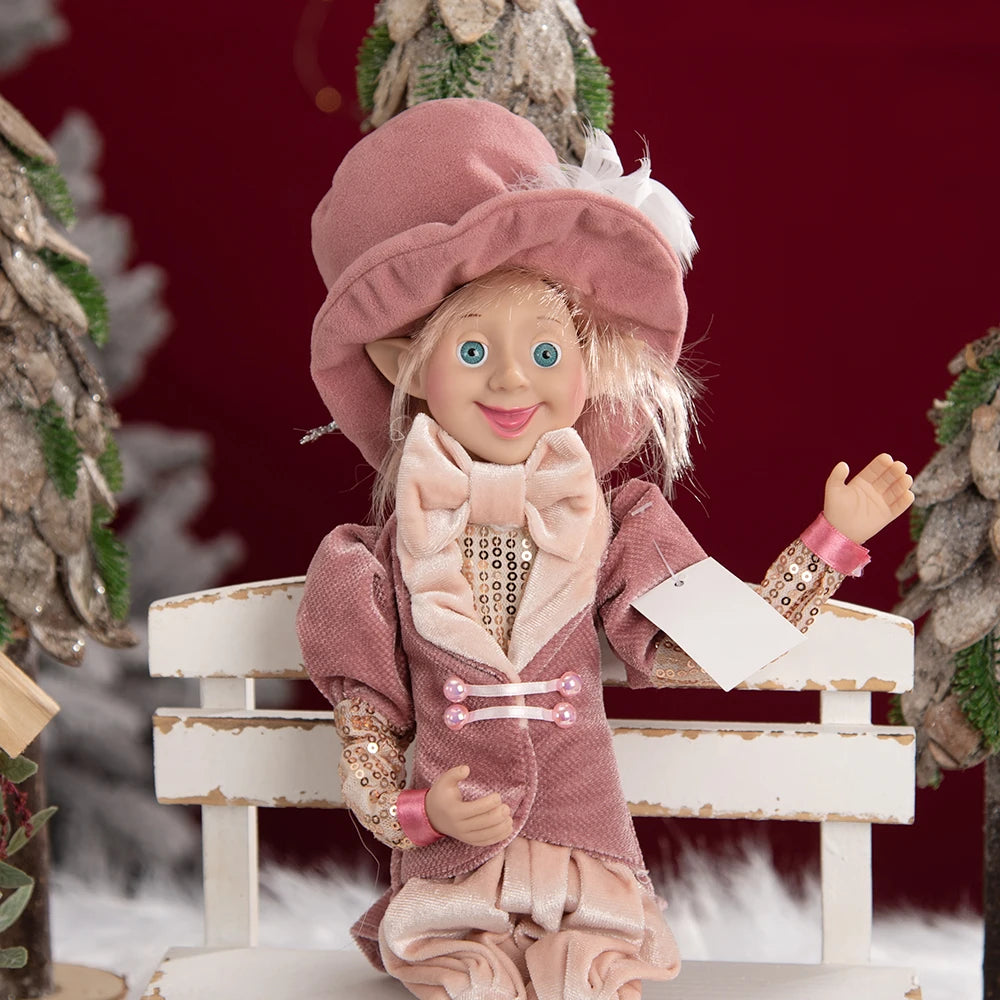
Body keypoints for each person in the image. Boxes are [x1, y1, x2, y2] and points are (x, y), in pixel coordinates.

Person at [297, 98, 912, 1000]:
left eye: (546, 353)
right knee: (465, 979)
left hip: (588, 865)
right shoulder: (369, 561)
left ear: (589, 361)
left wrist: (830, 541)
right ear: (405, 367)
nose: (513, 379)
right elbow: (366, 749)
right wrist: (424, 813)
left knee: (590, 978)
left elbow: (713, 650)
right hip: (454, 880)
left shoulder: (616, 521)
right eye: (473, 351)